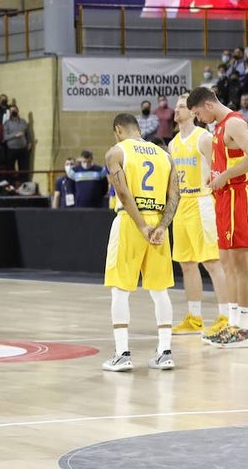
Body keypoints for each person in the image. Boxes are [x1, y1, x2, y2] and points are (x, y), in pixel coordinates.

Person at [187, 86, 248, 349]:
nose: (198, 119)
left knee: (240, 262)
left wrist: (226, 176)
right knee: (226, 261)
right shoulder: (218, 128)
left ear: (208, 105)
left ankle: (243, 330)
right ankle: (232, 325)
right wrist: (216, 175)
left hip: (239, 195)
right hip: (224, 197)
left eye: (198, 113)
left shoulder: (233, 123)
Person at [101, 113, 179, 372]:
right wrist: (161, 227)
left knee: (120, 289)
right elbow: (174, 196)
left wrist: (140, 224)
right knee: (160, 291)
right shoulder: (164, 155)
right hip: (158, 224)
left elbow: (122, 192)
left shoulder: (116, 152)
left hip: (130, 222)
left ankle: (123, 353)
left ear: (118, 130)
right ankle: (165, 352)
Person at [167, 95, 231, 339]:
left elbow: (219, 168)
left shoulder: (203, 138)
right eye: (175, 107)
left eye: (181, 107)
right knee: (186, 263)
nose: (176, 110)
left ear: (193, 112)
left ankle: (225, 316)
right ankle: (194, 317)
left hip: (202, 201)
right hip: (182, 203)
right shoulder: (173, 143)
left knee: (212, 262)